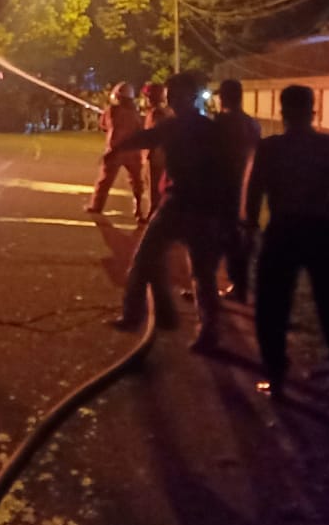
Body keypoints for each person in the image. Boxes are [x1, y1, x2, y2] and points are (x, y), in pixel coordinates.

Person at [244, 85, 329, 402]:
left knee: (272, 308)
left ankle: (276, 378)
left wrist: (248, 230)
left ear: (282, 111)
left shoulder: (270, 148)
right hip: (323, 232)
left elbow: (253, 194)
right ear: (313, 110)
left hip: (283, 232)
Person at [109, 71, 225, 348]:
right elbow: (146, 138)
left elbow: (145, 138)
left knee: (194, 271)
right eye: (171, 95)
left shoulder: (193, 129)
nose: (173, 100)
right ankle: (143, 315)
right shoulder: (193, 127)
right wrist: (122, 145)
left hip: (191, 205)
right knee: (161, 262)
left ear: (192, 97)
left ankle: (137, 315)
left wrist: (118, 147)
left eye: (178, 95)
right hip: (184, 203)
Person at [212, 78, 262, 302]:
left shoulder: (222, 122)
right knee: (237, 239)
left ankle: (213, 290)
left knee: (222, 240)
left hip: (225, 189)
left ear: (223, 97)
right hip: (248, 187)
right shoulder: (252, 123)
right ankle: (238, 287)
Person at [87, 82, 147, 222]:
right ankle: (138, 209)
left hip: (115, 150)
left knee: (105, 180)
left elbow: (104, 126)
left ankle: (96, 206)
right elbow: (140, 130)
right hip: (133, 151)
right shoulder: (136, 113)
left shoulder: (111, 111)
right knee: (137, 181)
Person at [140, 82, 173, 214]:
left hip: (155, 156)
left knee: (154, 188)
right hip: (163, 155)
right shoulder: (166, 111)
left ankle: (153, 215)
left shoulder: (156, 113)